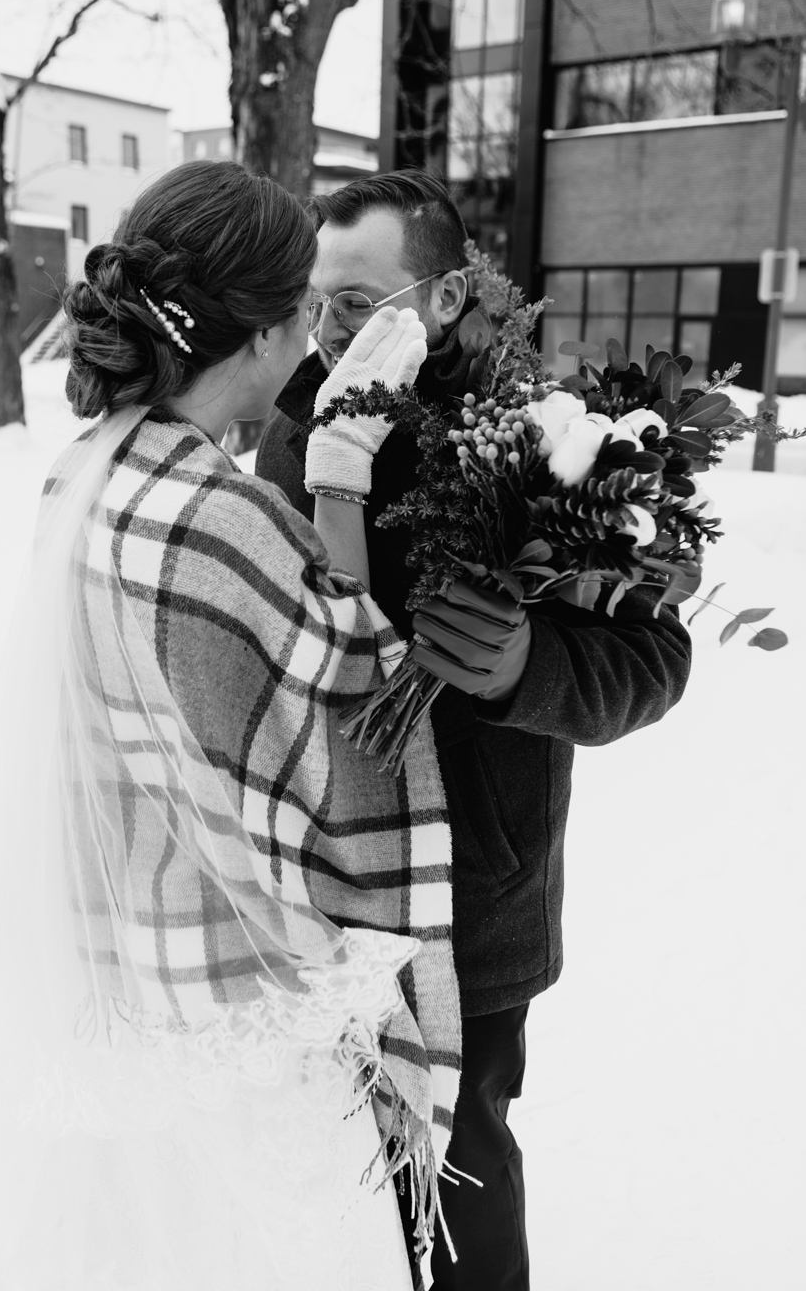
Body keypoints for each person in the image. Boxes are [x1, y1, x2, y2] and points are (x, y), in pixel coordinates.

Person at [0, 162, 461, 1291]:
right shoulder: (225, 520)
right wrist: (338, 472)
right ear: (254, 337)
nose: (314, 335)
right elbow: (361, 710)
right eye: (302, 310)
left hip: (118, 970)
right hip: (231, 1010)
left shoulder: (82, 472)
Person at [255, 169, 693, 1291]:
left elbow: (654, 658)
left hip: (478, 896)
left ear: (443, 296)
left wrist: (525, 665)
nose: (327, 329)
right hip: (332, 883)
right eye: (316, 301)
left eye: (357, 304)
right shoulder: (297, 424)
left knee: (463, 1173)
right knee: (336, 1173)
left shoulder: (554, 439)